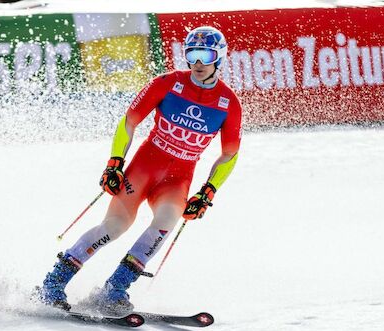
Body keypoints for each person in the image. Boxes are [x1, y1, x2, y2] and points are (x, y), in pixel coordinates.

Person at [37, 26, 242, 313]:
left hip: (177, 179)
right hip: (144, 169)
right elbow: (128, 122)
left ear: (218, 58)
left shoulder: (228, 103)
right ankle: (52, 284)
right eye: (191, 54)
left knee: (165, 222)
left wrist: (208, 191)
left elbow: (230, 154)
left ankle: (114, 290)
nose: (197, 62)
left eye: (204, 55)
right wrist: (115, 162)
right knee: (114, 227)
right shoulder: (167, 83)